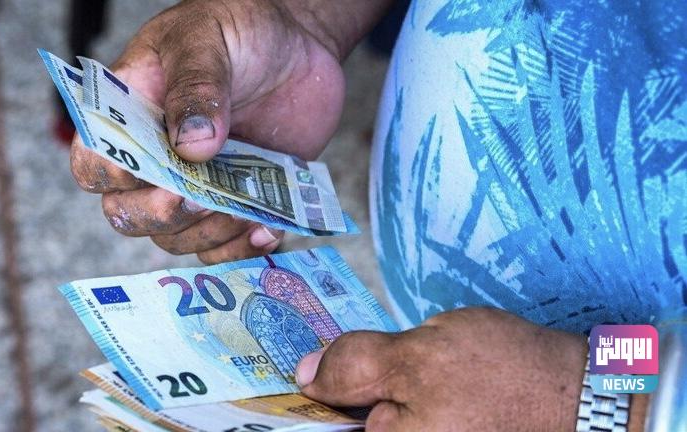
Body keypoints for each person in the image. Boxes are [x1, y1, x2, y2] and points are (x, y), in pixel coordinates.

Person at [69, 0, 686, 430]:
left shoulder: (610, 384)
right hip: (463, 354)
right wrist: (306, 17)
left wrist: (601, 405)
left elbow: (641, 363)